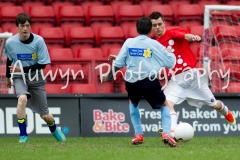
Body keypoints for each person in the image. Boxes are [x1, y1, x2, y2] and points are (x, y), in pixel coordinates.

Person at [149, 11, 236, 136]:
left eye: (159, 24)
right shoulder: (155, 44)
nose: (157, 27)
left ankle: (226, 111)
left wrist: (192, 37)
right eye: (154, 25)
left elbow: (185, 36)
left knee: (214, 105)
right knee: (167, 104)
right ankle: (171, 132)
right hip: (176, 81)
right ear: (151, 27)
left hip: (192, 77)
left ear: (164, 23)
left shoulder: (172, 33)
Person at [102, 16, 178, 147]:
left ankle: (139, 134)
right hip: (150, 80)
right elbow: (170, 63)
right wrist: (169, 52)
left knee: (133, 103)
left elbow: (119, 63)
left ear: (137, 29)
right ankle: (166, 133)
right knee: (164, 105)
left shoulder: (129, 43)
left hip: (133, 82)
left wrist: (108, 77)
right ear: (151, 30)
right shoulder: (154, 44)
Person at [4, 13, 66, 143]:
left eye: (27, 25)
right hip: (19, 76)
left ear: (30, 26)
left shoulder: (39, 41)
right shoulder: (10, 42)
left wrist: (23, 69)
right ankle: (23, 135)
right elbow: (10, 60)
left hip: (36, 77)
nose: (25, 29)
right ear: (17, 27)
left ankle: (54, 129)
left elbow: (42, 64)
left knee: (45, 115)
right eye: (22, 26)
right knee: (22, 99)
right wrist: (9, 77)